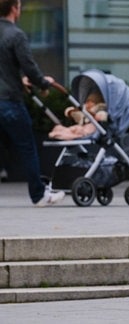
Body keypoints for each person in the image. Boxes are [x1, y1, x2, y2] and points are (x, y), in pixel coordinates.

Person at [0, 0, 65, 207]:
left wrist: (19, 79)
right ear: (14, 9)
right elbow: (28, 65)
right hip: (9, 101)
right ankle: (38, 195)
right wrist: (43, 83)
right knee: (27, 147)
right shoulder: (16, 35)